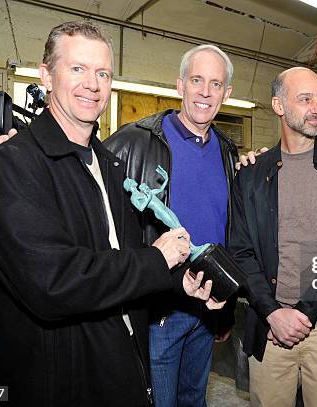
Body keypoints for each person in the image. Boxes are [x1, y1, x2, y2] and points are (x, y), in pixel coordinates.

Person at [0, 21, 220, 407]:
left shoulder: (108, 165)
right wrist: (157, 259)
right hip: (60, 380)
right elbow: (53, 284)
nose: (93, 84)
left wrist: (177, 285)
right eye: (77, 69)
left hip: (120, 364)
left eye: (102, 73)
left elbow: (121, 258)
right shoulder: (15, 164)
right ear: (46, 76)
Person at [103, 44, 238, 407]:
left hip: (207, 304)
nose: (205, 92)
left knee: (194, 398)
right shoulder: (135, 141)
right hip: (159, 308)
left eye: (215, 84)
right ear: (180, 85)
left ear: (226, 93)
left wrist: (225, 304)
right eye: (196, 80)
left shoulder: (228, 151)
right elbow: (84, 179)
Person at [229, 67, 317, 407]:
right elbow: (241, 251)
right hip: (270, 327)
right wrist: (274, 313)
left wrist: (303, 314)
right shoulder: (251, 174)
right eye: (305, 99)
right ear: (279, 105)